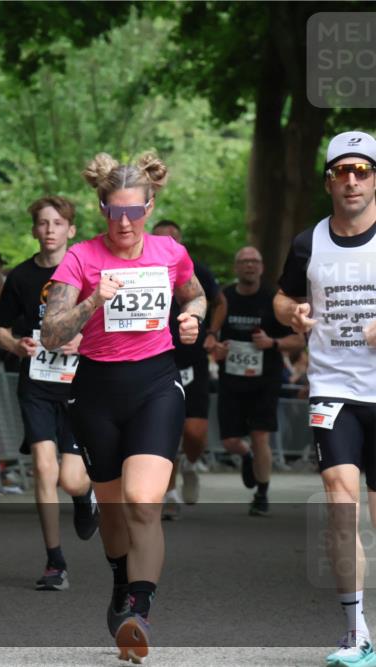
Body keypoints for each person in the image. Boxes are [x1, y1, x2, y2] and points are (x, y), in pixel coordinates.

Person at [41, 151, 206, 663]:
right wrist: (94, 302)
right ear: (102, 211)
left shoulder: (170, 251)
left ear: (150, 206)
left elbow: (196, 296)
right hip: (97, 391)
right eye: (116, 214)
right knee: (113, 512)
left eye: (136, 212)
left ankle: (139, 608)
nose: (127, 223)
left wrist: (192, 319)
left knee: (142, 501)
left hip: (156, 384)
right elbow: (51, 331)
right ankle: (120, 579)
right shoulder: (82, 258)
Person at [274, 130, 376, 667]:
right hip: (333, 387)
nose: (352, 180)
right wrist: (291, 314)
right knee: (341, 502)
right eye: (342, 171)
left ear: (375, 178)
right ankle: (355, 633)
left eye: (361, 170)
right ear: (329, 181)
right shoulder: (308, 242)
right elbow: (282, 297)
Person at [0, 195, 98, 591]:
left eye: (58, 223)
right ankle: (55, 561)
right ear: (35, 229)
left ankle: (85, 496)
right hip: (36, 383)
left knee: (71, 479)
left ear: (71, 230)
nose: (50, 229)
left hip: (78, 384)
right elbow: (0, 329)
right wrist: (15, 344)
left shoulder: (89, 273)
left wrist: (83, 339)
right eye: (43, 222)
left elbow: (109, 326)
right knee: (43, 468)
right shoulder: (19, 278)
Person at [208, 246, 303, 516]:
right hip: (231, 380)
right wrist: (217, 347)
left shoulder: (274, 299)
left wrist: (272, 342)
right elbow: (211, 337)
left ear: (261, 268)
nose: (249, 265)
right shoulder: (223, 298)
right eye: (244, 261)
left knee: (261, 435)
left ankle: (262, 493)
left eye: (254, 261)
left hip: (265, 380)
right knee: (229, 441)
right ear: (237, 267)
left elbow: (298, 340)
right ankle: (245, 455)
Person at [150, 220, 222, 517]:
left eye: (173, 240)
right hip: (158, 358)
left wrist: (212, 333)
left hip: (192, 359)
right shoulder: (142, 269)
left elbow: (219, 302)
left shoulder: (193, 268)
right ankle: (168, 493)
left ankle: (191, 466)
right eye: (160, 239)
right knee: (166, 429)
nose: (167, 245)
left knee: (193, 431)